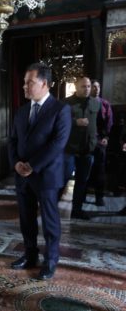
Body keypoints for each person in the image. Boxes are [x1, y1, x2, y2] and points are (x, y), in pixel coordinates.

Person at [8, 63, 71, 280]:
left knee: (50, 220)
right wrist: (16, 163)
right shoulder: (21, 111)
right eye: (24, 82)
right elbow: (13, 141)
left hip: (46, 175)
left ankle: (51, 260)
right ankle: (30, 254)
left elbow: (58, 143)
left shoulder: (60, 110)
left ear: (44, 84)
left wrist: (32, 165)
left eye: (29, 83)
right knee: (26, 219)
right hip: (22, 175)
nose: (24, 86)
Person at [64, 76, 101, 220]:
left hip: (87, 150)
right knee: (62, 179)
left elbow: (98, 123)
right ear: (76, 87)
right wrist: (75, 122)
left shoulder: (96, 103)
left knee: (82, 182)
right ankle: (50, 208)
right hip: (69, 149)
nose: (87, 89)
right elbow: (58, 123)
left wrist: (99, 139)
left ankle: (76, 210)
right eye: (83, 86)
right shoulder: (66, 103)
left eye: (88, 86)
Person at [87, 79, 113, 206]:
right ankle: (82, 196)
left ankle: (99, 197)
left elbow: (109, 122)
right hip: (86, 140)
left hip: (100, 141)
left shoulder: (104, 104)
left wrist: (106, 137)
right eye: (93, 87)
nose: (96, 89)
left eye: (98, 87)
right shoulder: (85, 103)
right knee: (85, 169)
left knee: (100, 170)